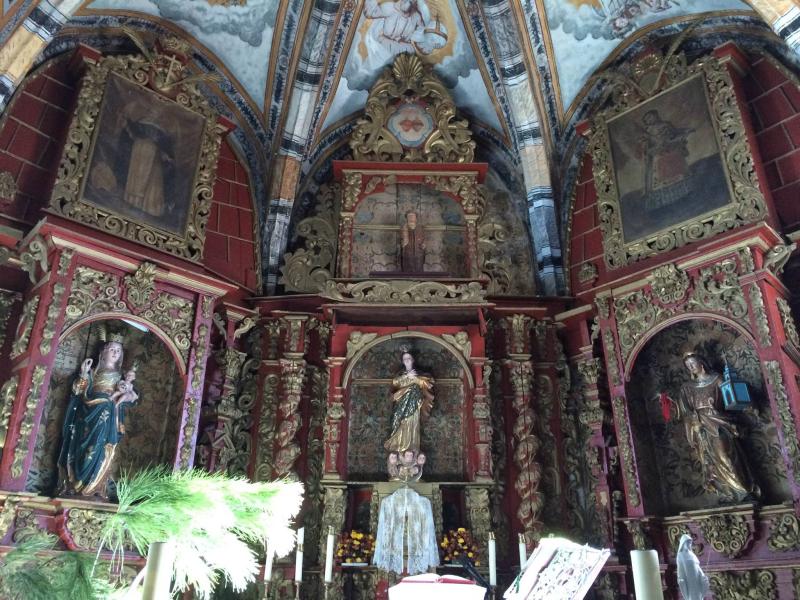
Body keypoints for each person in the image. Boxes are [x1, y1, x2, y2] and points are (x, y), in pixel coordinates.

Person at [58, 336, 138, 497]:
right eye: (112, 349)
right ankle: (75, 482)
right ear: (103, 353)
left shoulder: (121, 375)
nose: (115, 353)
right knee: (80, 444)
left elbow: (133, 397)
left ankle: (93, 485)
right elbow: (78, 391)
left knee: (100, 446)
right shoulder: (94, 372)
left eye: (118, 350)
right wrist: (83, 373)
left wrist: (127, 393)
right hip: (87, 412)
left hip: (106, 415)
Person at [673, 352, 759, 503]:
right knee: (710, 460)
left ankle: (744, 490)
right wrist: (695, 422)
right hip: (700, 425)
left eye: (693, 363)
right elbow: (686, 411)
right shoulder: (687, 388)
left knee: (725, 455)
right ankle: (729, 493)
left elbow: (731, 396)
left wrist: (747, 405)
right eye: (688, 366)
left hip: (718, 421)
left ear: (701, 363)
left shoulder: (716, 379)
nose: (691, 367)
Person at [384, 348, 434, 457]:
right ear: (402, 361)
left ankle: (412, 450)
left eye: (409, 358)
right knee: (397, 420)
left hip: (414, 404)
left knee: (412, 424)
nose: (407, 360)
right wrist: (407, 376)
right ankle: (396, 448)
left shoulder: (419, 374)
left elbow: (427, 383)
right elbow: (395, 384)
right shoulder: (400, 375)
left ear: (413, 360)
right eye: (404, 358)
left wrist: (415, 378)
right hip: (400, 404)